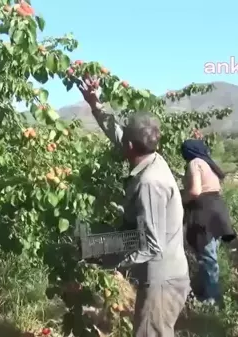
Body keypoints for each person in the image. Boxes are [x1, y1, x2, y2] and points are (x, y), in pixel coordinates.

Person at [77, 76, 190, 337]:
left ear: (131, 145)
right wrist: (96, 105)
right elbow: (119, 136)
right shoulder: (151, 157)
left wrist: (111, 263)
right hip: (165, 273)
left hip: (161, 280)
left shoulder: (150, 183)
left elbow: (150, 246)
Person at [180, 139, 236, 306]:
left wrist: (180, 199)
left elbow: (196, 191)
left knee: (207, 258)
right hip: (217, 210)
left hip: (203, 213)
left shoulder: (194, 163)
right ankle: (208, 290)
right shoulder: (206, 163)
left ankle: (211, 299)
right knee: (210, 254)